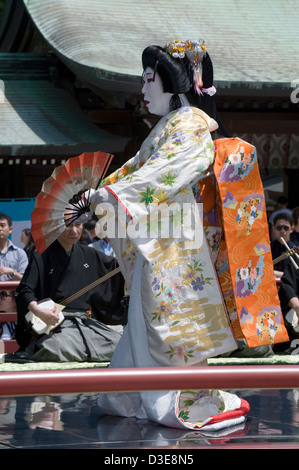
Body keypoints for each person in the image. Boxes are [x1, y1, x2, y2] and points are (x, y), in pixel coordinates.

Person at [75, 39, 287, 431]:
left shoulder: (190, 124)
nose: (142, 89)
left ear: (173, 82)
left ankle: (174, 399)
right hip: (161, 241)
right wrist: (100, 194)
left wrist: (112, 197)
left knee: (165, 324)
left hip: (175, 245)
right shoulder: (167, 126)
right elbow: (136, 172)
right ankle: (133, 393)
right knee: (148, 317)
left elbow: (165, 172)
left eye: (149, 79)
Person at [12, 220, 125, 362]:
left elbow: (119, 268)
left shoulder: (89, 254)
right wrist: (38, 311)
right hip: (54, 324)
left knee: (117, 345)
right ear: (56, 226)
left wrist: (134, 256)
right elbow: (24, 290)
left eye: (78, 224)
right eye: (68, 225)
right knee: (56, 347)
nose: (74, 230)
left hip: (84, 324)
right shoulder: (42, 256)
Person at [0, 213, 28, 281]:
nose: (0, 229)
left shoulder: (20, 253)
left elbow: (26, 280)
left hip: (13, 291)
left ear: (10, 229)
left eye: (2, 225)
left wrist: (12, 272)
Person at [271, 212, 296, 279]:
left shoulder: (296, 250)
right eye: (279, 228)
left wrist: (276, 273)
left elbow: (296, 275)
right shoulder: (267, 249)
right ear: (274, 228)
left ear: (292, 229)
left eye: (286, 228)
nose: (282, 230)